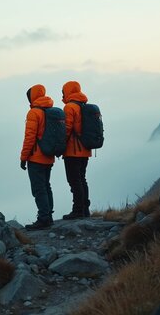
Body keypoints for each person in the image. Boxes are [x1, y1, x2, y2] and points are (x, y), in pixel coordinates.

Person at [20, 84, 55, 230]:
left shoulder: (34, 113)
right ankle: (49, 216)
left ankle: (43, 218)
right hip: (49, 155)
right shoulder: (51, 110)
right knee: (46, 186)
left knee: (38, 189)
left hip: (36, 157)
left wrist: (23, 157)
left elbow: (29, 137)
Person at [61, 81, 92, 219]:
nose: (62, 94)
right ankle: (85, 209)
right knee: (82, 179)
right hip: (85, 149)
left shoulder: (70, 107)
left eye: (63, 91)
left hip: (73, 150)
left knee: (74, 181)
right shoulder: (83, 105)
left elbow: (66, 129)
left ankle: (78, 210)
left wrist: (60, 146)